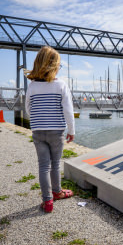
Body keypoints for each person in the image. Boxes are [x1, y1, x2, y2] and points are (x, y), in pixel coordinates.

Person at [25, 46, 75, 213]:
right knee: (55, 164)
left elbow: (28, 108)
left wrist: (38, 120)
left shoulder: (32, 86)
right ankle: (57, 191)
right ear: (54, 66)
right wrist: (71, 130)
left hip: (38, 131)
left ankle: (47, 202)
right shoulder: (61, 85)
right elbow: (68, 110)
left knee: (43, 166)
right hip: (57, 131)